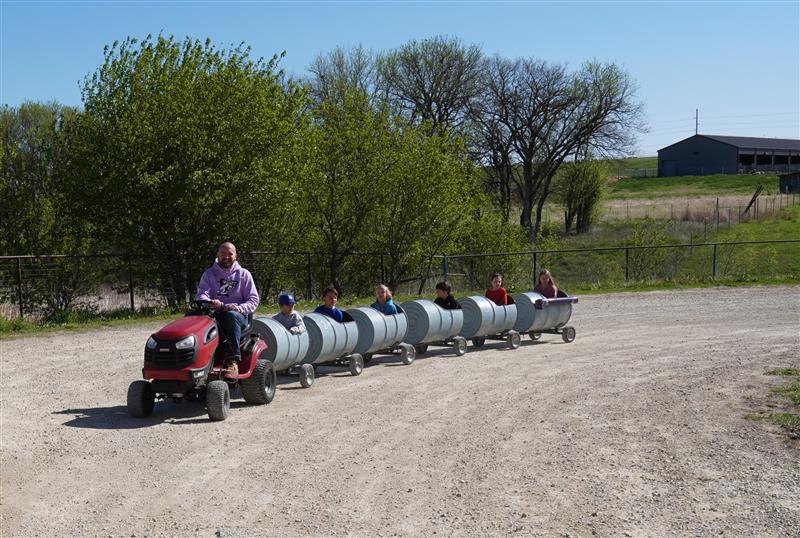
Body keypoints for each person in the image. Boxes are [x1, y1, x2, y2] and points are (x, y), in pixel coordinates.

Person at [196, 242, 260, 377]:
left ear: (235, 256)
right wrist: (210, 301)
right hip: (215, 313)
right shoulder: (209, 274)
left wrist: (238, 307)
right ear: (217, 255)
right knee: (191, 316)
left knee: (231, 316)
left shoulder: (244, 275)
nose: (226, 256)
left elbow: (253, 300)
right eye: (223, 253)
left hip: (238, 316)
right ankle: (194, 359)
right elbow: (202, 294)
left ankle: (233, 360)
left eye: (230, 254)